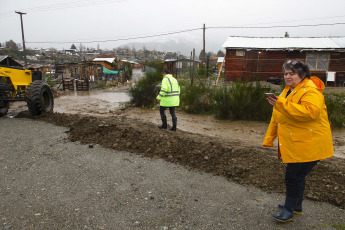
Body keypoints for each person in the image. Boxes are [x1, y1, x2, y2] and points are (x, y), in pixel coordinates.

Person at [263, 59, 333, 222]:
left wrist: (281, 103)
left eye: (292, 73)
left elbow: (310, 113)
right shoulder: (288, 90)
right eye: (286, 73)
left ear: (302, 74)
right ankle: (296, 206)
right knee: (298, 176)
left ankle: (288, 210)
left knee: (293, 177)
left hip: (311, 144)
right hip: (299, 143)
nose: (287, 76)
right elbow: (278, 116)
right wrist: (269, 138)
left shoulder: (311, 91)